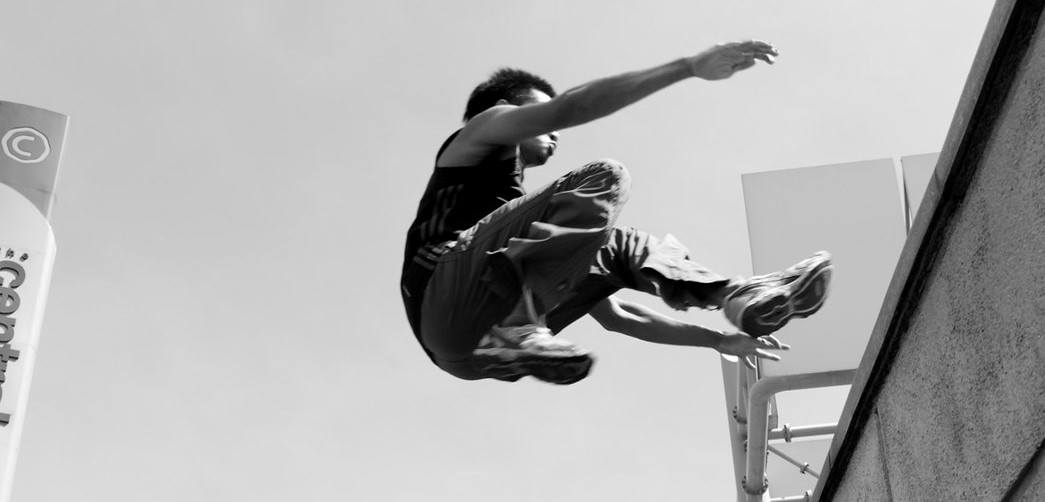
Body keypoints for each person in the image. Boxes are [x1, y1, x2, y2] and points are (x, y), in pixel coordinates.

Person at [401, 40, 833, 384]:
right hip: (446, 290)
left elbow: (618, 318)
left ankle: (733, 295)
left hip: (471, 356)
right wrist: (687, 67)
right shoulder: (481, 132)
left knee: (615, 245)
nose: (552, 134)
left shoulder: (533, 239)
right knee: (604, 176)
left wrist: (717, 341)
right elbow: (569, 108)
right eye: (537, 114)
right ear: (510, 108)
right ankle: (517, 325)